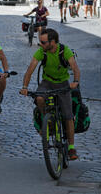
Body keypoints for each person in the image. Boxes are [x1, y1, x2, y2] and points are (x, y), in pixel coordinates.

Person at [20, 28, 80, 161]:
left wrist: (75, 81)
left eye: (43, 42)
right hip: (47, 82)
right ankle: (46, 119)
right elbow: (30, 70)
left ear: (52, 42)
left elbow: (75, 67)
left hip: (63, 83)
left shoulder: (65, 51)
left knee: (68, 116)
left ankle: (71, 148)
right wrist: (24, 87)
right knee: (39, 98)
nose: (40, 44)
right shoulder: (42, 52)